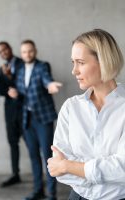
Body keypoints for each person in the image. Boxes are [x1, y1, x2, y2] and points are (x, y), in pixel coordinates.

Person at [47, 29, 125, 200]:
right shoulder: (70, 107)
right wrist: (68, 167)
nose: (74, 71)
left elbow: (123, 169)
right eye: (73, 62)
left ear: (104, 62)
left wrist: (68, 165)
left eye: (80, 62)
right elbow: (58, 169)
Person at [8, 40, 62, 200]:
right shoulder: (18, 69)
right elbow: (20, 89)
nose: (27, 54)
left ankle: (51, 194)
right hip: (27, 119)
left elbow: (46, 79)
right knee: (33, 155)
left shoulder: (42, 66)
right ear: (21, 53)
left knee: (48, 156)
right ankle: (38, 190)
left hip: (43, 118)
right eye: (24, 52)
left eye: (30, 51)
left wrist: (50, 85)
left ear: (35, 51)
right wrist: (15, 94)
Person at [0, 41, 23, 187]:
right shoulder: (0, 70)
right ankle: (15, 174)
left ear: (10, 48)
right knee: (13, 144)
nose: (3, 53)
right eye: (0, 52)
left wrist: (10, 77)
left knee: (33, 145)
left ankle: (43, 176)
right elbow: (1, 90)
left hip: (25, 110)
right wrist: (6, 80)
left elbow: (26, 84)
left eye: (4, 49)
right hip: (10, 112)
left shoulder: (22, 62)